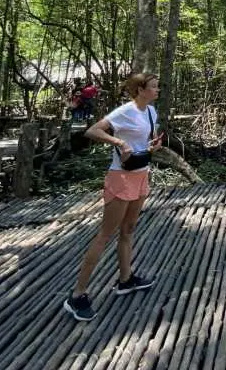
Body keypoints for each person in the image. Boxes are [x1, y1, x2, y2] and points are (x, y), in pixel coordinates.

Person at [64, 72, 163, 321]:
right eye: (153, 87)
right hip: (120, 177)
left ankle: (125, 279)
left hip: (141, 174)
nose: (157, 90)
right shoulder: (125, 111)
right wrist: (118, 141)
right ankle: (77, 295)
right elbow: (92, 131)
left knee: (128, 230)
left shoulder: (151, 112)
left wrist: (153, 147)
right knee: (105, 235)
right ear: (140, 89)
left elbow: (144, 143)